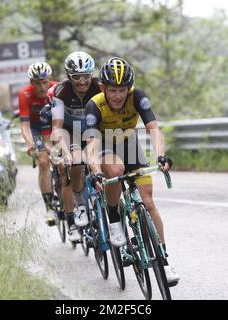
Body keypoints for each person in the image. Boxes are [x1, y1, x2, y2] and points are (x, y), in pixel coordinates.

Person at [85, 57, 180, 285]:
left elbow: (153, 129)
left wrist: (160, 155)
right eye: (112, 90)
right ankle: (115, 218)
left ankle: (164, 262)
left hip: (129, 143)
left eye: (122, 90)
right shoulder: (94, 106)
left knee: (147, 201)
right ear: (102, 88)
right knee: (116, 169)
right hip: (105, 144)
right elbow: (91, 146)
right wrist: (96, 171)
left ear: (129, 88)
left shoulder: (138, 96)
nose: (118, 95)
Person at [50, 51, 102, 242]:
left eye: (86, 76)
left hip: (94, 129)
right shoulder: (61, 91)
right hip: (70, 131)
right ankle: (80, 206)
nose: (82, 81)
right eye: (76, 77)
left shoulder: (99, 87)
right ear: (68, 77)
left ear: (91, 74)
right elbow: (56, 127)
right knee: (77, 163)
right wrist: (65, 152)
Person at [18, 62, 57, 225]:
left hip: (55, 124)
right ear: (31, 82)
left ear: (50, 79)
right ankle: (49, 207)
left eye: (44, 81)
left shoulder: (56, 88)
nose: (41, 87)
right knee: (43, 161)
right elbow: (25, 125)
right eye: (36, 83)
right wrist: (30, 144)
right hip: (36, 128)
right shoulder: (25, 95)